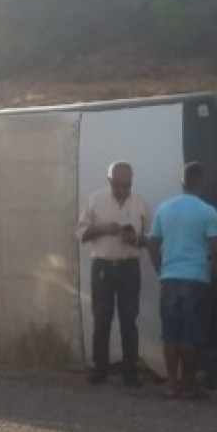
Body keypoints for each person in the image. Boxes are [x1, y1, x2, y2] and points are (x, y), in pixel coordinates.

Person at [148, 162, 217, 399]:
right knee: (191, 335)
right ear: (202, 183)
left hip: (170, 279)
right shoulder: (208, 211)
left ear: (182, 182)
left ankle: (172, 383)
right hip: (196, 279)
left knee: (171, 335)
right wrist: (214, 275)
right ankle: (189, 385)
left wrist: (161, 269)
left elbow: (152, 243)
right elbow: (216, 248)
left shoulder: (164, 209)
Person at [76, 161, 152, 386]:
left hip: (129, 267)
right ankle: (100, 369)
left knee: (129, 320)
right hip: (103, 267)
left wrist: (135, 239)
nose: (121, 190)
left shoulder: (140, 203)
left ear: (132, 181)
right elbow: (81, 235)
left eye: (126, 185)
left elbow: (150, 240)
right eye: (117, 185)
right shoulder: (96, 199)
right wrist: (103, 229)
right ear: (109, 181)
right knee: (101, 319)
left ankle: (130, 372)